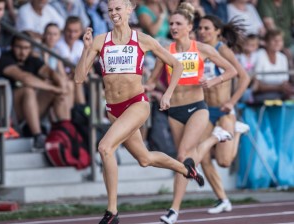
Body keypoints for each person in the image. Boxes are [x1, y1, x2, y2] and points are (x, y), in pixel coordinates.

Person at [74, 0, 206, 223]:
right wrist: (86, 49)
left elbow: (177, 64)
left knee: (105, 147)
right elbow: (78, 78)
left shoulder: (142, 40)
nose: (114, 13)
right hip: (114, 109)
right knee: (144, 159)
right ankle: (186, 170)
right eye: (110, 10)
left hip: (137, 104)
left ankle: (112, 212)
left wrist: (167, 94)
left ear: (129, 9)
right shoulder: (100, 41)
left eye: (118, 9)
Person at [145, 3, 237, 224]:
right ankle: (216, 137)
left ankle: (173, 211)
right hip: (175, 111)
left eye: (178, 23)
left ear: (189, 27)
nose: (174, 27)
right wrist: (139, 90)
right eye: (172, 23)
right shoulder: (166, 51)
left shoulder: (202, 49)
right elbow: (150, 83)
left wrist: (213, 81)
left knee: (183, 155)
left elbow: (232, 70)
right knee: (184, 159)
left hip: (197, 107)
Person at [197, 15, 251, 214]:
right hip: (204, 110)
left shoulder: (222, 50)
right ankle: (222, 199)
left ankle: (236, 131)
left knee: (224, 161)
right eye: (200, 28)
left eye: (207, 28)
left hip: (223, 110)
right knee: (202, 157)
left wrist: (231, 102)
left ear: (217, 31)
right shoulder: (198, 50)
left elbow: (244, 77)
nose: (202, 31)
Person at [0, 33, 72, 151]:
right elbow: (25, 78)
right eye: (19, 47)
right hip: (9, 112)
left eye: (26, 48)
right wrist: (54, 88)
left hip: (31, 109)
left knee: (58, 93)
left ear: (30, 49)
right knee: (28, 90)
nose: (22, 52)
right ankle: (38, 136)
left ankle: (66, 132)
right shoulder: (6, 58)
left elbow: (49, 72)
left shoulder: (32, 60)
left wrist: (60, 84)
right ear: (12, 47)